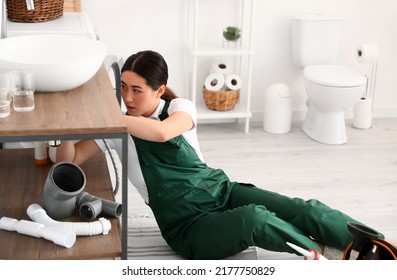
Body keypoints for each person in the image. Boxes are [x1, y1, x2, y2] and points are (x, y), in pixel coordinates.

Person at [55, 50, 382, 260]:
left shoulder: (178, 109)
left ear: (160, 89)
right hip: (187, 228)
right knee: (255, 218)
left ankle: (382, 246)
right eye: (123, 87)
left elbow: (163, 133)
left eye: (136, 90)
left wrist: (109, 117)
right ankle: (329, 259)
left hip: (222, 192)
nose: (127, 97)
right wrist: (69, 126)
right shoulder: (113, 133)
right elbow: (66, 161)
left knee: (305, 210)